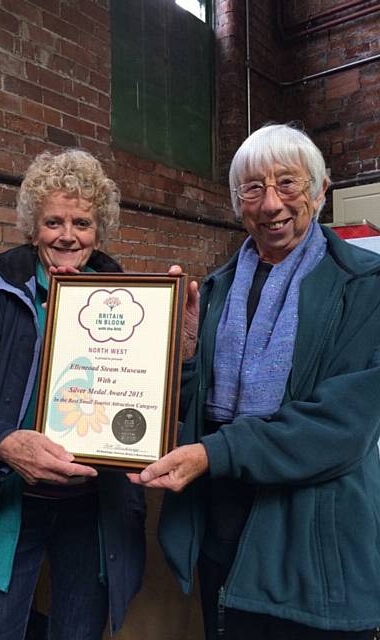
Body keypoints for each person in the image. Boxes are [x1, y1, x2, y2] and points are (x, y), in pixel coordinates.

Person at [129, 124, 380, 639]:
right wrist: (186, 360)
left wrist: (211, 454)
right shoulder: (219, 286)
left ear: (320, 190)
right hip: (225, 533)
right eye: (252, 188)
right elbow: (201, 408)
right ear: (236, 201)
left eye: (287, 184)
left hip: (312, 545)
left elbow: (342, 427)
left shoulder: (363, 286)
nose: (271, 205)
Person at [0, 150, 146, 640]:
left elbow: (151, 396)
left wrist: (175, 351)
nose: (66, 235)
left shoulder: (130, 301)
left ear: (98, 231)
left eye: (81, 222)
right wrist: (1, 442)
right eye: (52, 221)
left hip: (90, 503)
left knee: (80, 630)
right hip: (7, 499)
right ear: (32, 229)